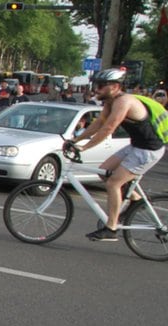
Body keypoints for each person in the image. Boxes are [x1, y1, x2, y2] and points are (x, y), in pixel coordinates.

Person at [73, 67, 166, 241]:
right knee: (104, 171)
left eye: (101, 86)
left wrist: (84, 148)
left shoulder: (124, 102)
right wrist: (75, 141)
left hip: (148, 150)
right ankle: (137, 200)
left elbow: (109, 127)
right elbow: (99, 123)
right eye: (96, 85)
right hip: (136, 146)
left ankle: (111, 228)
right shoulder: (110, 102)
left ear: (115, 86)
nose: (96, 89)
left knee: (113, 184)